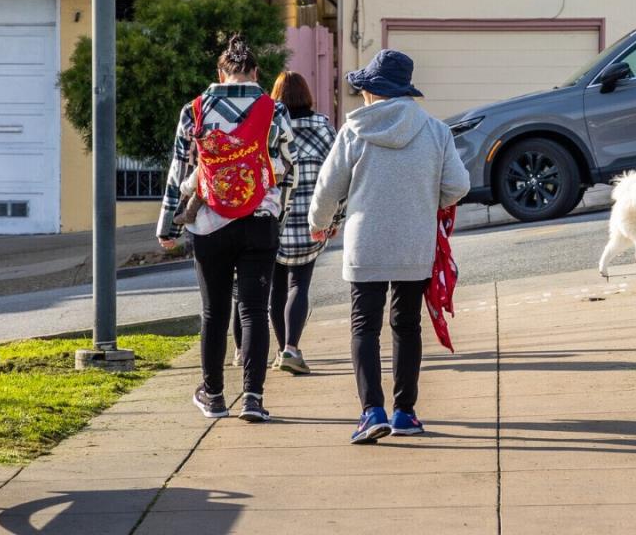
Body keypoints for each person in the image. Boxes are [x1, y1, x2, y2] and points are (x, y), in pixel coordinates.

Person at [308, 49, 469, 444]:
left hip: (365, 244)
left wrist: (319, 223)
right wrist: (428, 199)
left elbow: (328, 188)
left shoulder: (353, 131)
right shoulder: (435, 131)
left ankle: (371, 412)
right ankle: (405, 412)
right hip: (414, 244)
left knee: (365, 326)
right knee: (406, 325)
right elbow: (458, 186)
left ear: (372, 90)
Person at [156, 34, 295, 423]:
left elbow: (180, 169)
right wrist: (276, 214)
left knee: (214, 312)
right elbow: (289, 168)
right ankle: (253, 398)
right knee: (254, 310)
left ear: (221, 72)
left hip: (209, 222)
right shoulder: (274, 109)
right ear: (255, 72)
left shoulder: (194, 110)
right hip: (260, 221)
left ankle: (214, 396)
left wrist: (168, 224)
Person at [267, 70, 338, 375]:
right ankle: (291, 348)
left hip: (274, 221)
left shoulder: (269, 129)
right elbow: (336, 177)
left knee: (277, 289)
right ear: (307, 95)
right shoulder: (323, 128)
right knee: (300, 284)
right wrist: (334, 217)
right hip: (312, 221)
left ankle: (282, 350)